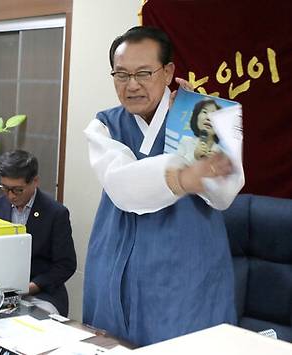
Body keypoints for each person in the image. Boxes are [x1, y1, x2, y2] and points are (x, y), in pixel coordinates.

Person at [82, 26, 244, 346]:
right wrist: (181, 176)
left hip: (188, 261)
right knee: (113, 341)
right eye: (121, 75)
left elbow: (226, 193)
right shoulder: (104, 124)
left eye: (144, 73)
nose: (132, 85)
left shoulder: (203, 115)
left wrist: (189, 117)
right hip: (116, 253)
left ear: (168, 71)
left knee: (188, 342)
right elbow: (121, 185)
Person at [0, 150, 76, 316]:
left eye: (18, 190)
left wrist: (30, 287)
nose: (10, 195)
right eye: (5, 188)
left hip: (41, 293)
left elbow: (66, 265)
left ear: (35, 181)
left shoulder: (55, 213)